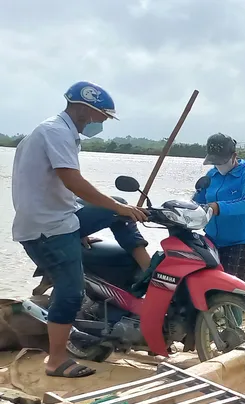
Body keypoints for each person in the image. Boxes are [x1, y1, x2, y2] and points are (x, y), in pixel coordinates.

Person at [11, 81, 148, 379]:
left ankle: (146, 271)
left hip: (61, 217)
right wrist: (116, 207)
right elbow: (72, 180)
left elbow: (60, 189)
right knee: (70, 292)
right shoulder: (55, 132)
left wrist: (95, 218)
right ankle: (56, 361)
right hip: (48, 227)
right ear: (86, 109)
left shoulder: (62, 134)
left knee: (119, 208)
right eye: (102, 116)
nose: (102, 122)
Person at [192, 133, 245, 283]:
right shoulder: (212, 175)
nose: (219, 165)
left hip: (240, 243)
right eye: (215, 161)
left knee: (231, 288)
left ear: (234, 155)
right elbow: (199, 200)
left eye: (222, 161)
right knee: (206, 283)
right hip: (211, 240)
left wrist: (218, 207)